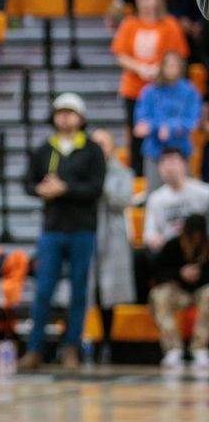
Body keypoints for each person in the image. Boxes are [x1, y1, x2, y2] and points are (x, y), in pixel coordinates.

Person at [21, 93, 106, 371]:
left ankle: (72, 348)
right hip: (53, 229)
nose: (65, 117)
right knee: (43, 291)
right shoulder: (44, 149)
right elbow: (28, 183)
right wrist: (41, 190)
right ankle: (35, 350)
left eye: (70, 112)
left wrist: (64, 188)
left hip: (83, 229)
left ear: (81, 118)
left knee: (78, 293)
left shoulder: (92, 150)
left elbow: (96, 189)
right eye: (60, 112)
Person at [111, 0, 189, 174]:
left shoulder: (169, 24)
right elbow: (120, 54)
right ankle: (138, 174)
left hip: (162, 90)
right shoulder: (130, 24)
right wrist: (140, 67)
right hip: (134, 88)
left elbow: (178, 55)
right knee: (137, 131)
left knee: (164, 131)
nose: (143, 2)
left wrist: (159, 69)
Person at [90, 128, 135, 364]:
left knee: (110, 292)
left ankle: (108, 342)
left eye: (103, 143)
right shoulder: (83, 171)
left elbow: (122, 201)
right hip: (88, 232)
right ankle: (88, 341)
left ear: (112, 147)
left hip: (113, 235)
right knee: (90, 290)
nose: (99, 147)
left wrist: (102, 179)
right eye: (95, 143)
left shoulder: (122, 172)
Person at [149, 213, 209, 371]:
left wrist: (200, 274)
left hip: (201, 291)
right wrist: (179, 273)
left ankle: (200, 348)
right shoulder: (173, 245)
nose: (195, 238)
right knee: (159, 295)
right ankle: (172, 349)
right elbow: (156, 271)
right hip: (179, 292)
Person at [134, 52, 200, 188]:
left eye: (175, 65)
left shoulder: (189, 91)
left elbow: (192, 119)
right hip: (155, 150)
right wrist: (156, 127)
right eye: (168, 65)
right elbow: (142, 118)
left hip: (180, 150)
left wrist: (171, 128)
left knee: (181, 192)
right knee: (154, 192)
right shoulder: (150, 91)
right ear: (161, 67)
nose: (171, 69)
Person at [144, 147, 209, 252]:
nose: (168, 167)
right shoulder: (155, 198)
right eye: (163, 163)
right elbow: (149, 234)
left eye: (173, 162)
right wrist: (155, 240)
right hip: (169, 252)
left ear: (185, 164)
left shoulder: (204, 193)